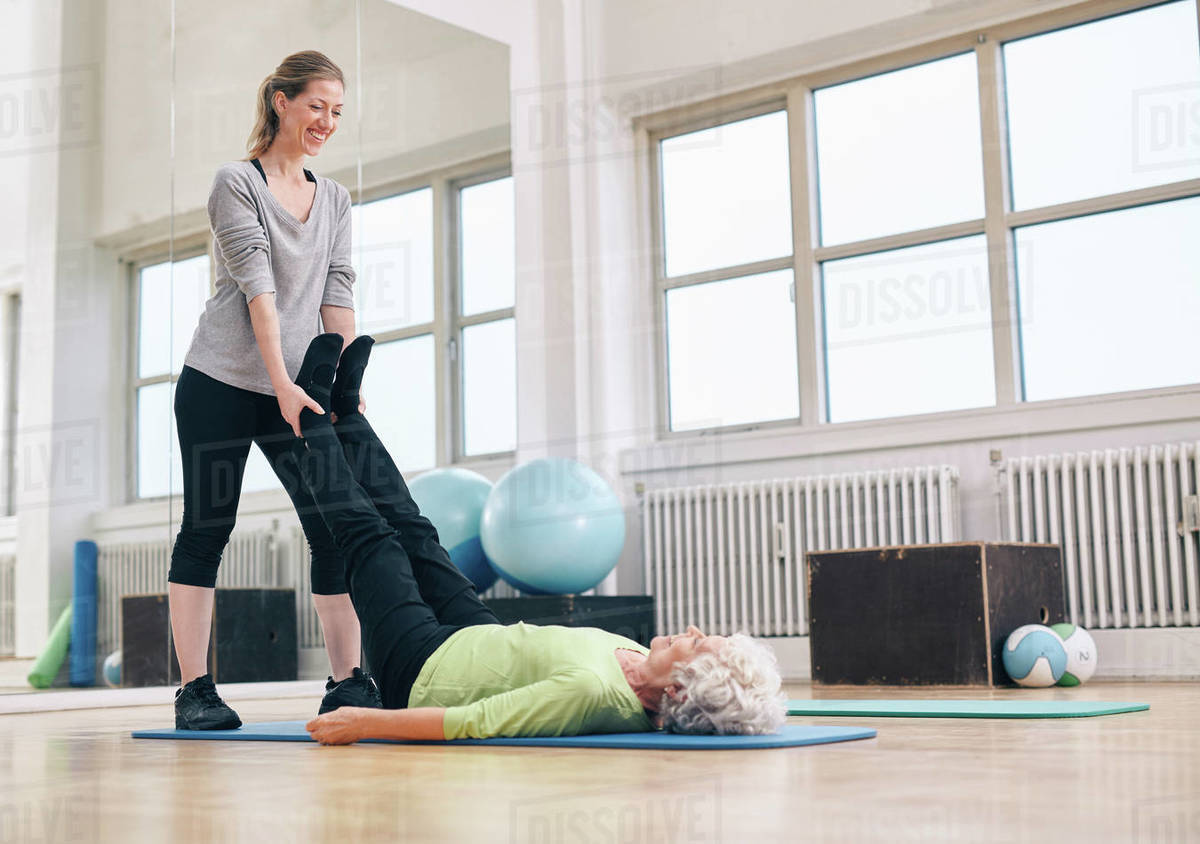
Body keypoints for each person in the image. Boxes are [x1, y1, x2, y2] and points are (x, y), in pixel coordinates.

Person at [288, 332, 787, 745]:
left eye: (701, 646)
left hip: (421, 674)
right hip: (474, 639)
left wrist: (365, 722)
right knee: (418, 533)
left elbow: (474, 723)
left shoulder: (592, 693)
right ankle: (348, 414)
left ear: (679, 690)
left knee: (374, 540)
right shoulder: (635, 659)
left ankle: (310, 416)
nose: (695, 631)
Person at [169, 51, 380, 730]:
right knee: (208, 528)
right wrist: (281, 381)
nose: (327, 121)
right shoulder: (237, 182)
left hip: (298, 389)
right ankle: (194, 691)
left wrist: (344, 388)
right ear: (282, 101)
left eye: (338, 111)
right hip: (222, 381)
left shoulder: (337, 198)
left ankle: (347, 681)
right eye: (317, 105)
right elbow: (260, 291)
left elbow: (336, 293)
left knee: (332, 530)